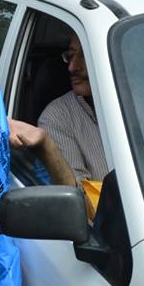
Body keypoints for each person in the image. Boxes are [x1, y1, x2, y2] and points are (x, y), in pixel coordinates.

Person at [37, 33, 107, 181]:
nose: (72, 67)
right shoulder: (57, 117)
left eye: (84, 55)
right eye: (70, 55)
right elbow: (78, 197)